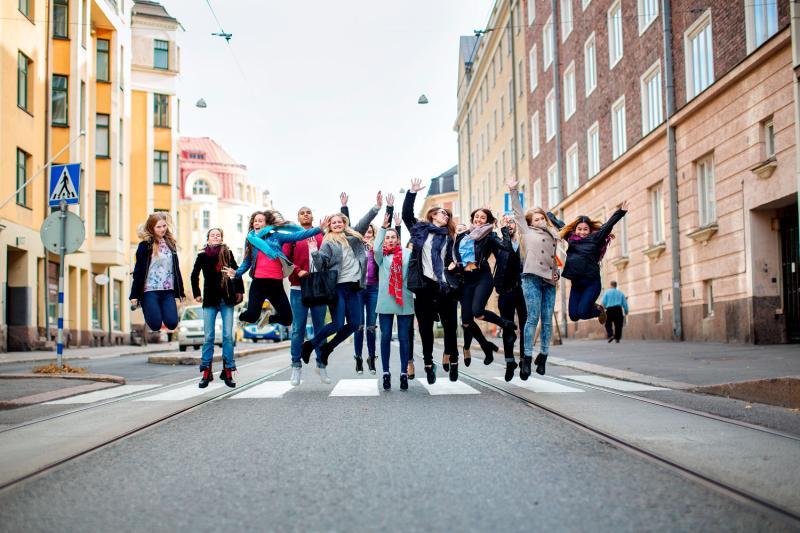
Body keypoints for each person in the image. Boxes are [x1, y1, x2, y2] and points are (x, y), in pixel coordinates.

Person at [300, 198, 382, 371]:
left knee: (354, 324)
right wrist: (314, 250)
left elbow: (365, 221)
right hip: (337, 288)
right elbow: (321, 265)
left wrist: (376, 207)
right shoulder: (328, 242)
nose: (337, 224)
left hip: (354, 288)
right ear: (330, 226)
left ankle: (327, 348)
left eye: (340, 221)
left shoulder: (353, 238)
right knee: (337, 324)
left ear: (344, 223)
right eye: (333, 222)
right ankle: (310, 345)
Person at [224, 211, 328, 341]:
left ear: (266, 224)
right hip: (259, 283)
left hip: (276, 284)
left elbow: (299, 235)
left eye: (260, 220)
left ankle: (269, 319)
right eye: (255, 221)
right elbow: (247, 261)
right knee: (252, 316)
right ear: (252, 224)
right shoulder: (250, 240)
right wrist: (237, 273)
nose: (257, 223)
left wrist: (319, 229)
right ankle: (241, 317)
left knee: (287, 318)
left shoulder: (277, 237)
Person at [402, 178, 459, 384]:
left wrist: (455, 264)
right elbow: (407, 215)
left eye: (448, 214)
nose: (446, 216)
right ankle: (428, 363)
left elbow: (458, 257)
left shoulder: (450, 237)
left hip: (444, 286)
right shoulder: (420, 231)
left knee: (450, 325)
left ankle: (453, 359)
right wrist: (412, 193)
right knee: (425, 328)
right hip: (424, 286)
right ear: (433, 215)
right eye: (443, 212)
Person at [451, 207, 516, 378]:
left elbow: (506, 248)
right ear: (472, 218)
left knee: (478, 312)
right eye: (476, 217)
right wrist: (453, 266)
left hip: (482, 277)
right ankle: (486, 346)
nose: (479, 219)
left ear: (487, 221)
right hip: (467, 280)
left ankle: (505, 324)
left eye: (483, 217)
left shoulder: (489, 235)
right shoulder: (462, 235)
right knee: (465, 321)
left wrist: (504, 230)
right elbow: (457, 256)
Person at [508, 179, 560, 377]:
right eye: (536, 219)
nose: (540, 222)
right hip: (531, 279)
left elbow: (553, 258)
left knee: (547, 321)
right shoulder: (527, 231)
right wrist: (513, 190)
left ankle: (544, 357)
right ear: (530, 222)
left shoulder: (554, 234)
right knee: (532, 319)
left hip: (549, 280)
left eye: (542, 219)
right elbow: (518, 213)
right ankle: (527, 358)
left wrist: (557, 273)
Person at [547, 201, 629, 326]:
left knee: (583, 313)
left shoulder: (596, 238)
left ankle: (599, 310)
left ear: (590, 230)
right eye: (579, 229)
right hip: (577, 285)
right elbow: (560, 225)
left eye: (585, 229)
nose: (582, 232)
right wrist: (547, 215)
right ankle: (593, 307)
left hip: (592, 283)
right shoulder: (571, 238)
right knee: (574, 316)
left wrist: (621, 212)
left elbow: (608, 226)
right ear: (575, 230)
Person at [342, 192, 395, 375]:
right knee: (358, 326)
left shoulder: (379, 247)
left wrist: (388, 209)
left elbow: (391, 234)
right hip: (357, 289)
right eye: (365, 232)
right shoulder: (354, 244)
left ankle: (372, 358)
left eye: (371, 232)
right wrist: (344, 208)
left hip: (374, 289)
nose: (367, 234)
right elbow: (349, 227)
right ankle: (358, 358)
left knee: (372, 326)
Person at [283, 206, 333, 385]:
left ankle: (321, 364)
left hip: (319, 287)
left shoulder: (322, 236)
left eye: (308, 212)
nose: (306, 214)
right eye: (302, 213)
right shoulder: (293, 237)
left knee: (321, 328)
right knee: (298, 328)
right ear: (298, 218)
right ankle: (296, 366)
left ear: (313, 216)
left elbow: (330, 257)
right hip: (298, 287)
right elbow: (284, 259)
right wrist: (297, 270)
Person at [191, 228, 244, 388]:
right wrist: (197, 293)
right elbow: (194, 275)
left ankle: (228, 370)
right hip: (210, 300)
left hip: (226, 299)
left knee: (228, 336)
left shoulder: (227, 253)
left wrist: (240, 290)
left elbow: (237, 271)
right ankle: (206, 372)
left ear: (221, 238)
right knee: (209, 337)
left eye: (218, 235)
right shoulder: (202, 255)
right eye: (213, 235)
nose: (215, 237)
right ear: (208, 238)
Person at [374, 214, 415, 390]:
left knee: (405, 337)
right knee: (385, 336)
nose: (390, 240)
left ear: (398, 239)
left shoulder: (408, 253)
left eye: (393, 237)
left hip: (404, 299)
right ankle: (385, 372)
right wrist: (383, 228)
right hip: (385, 300)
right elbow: (376, 248)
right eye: (387, 237)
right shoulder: (381, 256)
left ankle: (404, 373)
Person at [130, 212, 185, 333]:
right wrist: (134, 295)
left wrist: (181, 291)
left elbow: (176, 269)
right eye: (158, 227)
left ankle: (155, 308)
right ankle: (146, 304)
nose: (162, 229)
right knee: (155, 325)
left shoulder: (171, 244)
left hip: (167, 291)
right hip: (149, 291)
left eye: (164, 226)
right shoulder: (145, 246)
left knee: (172, 323)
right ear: (152, 228)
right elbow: (138, 270)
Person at [494, 214, 528, 381]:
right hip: (506, 291)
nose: (508, 224)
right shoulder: (499, 243)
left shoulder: (525, 242)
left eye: (511, 221)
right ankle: (509, 362)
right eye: (505, 222)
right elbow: (505, 247)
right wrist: (504, 232)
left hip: (523, 290)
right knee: (507, 328)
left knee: (525, 327)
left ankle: (524, 361)